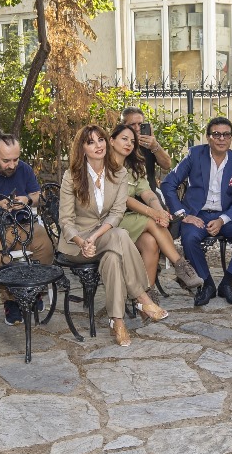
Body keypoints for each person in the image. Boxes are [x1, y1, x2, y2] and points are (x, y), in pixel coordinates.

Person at [58, 125, 168, 347]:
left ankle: (117, 322)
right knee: (120, 236)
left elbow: (117, 213)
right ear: (82, 148)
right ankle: (142, 298)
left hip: (105, 235)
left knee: (113, 257)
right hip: (77, 244)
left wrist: (95, 236)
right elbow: (66, 221)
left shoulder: (119, 173)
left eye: (101, 140)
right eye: (91, 142)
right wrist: (82, 241)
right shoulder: (71, 176)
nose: (98, 145)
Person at [161, 116, 232, 307]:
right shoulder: (194, 155)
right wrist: (183, 215)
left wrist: (222, 220)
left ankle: (227, 283)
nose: (221, 138)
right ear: (208, 137)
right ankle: (207, 284)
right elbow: (168, 184)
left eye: (226, 135)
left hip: (225, 216)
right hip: (196, 215)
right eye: (216, 134)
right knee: (189, 238)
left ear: (231, 138)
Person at [0, 131, 55, 324]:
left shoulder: (23, 169)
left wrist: (27, 199)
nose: (12, 165)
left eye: (16, 159)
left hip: (21, 224)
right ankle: (11, 301)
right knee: (0, 257)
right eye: (6, 160)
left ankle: (33, 290)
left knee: (46, 246)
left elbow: (38, 196)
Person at [109, 123, 200, 290]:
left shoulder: (134, 167)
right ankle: (180, 265)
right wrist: (154, 213)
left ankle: (147, 297)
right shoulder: (104, 166)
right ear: (111, 141)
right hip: (108, 221)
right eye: (124, 139)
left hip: (127, 220)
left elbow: (148, 193)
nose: (129, 143)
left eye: (132, 140)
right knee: (152, 221)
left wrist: (159, 210)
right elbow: (123, 199)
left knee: (151, 242)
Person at [120, 105, 173, 182]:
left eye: (140, 124)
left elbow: (167, 165)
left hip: (149, 191)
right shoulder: (117, 144)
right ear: (123, 126)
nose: (137, 128)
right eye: (132, 124)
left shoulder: (149, 143)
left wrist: (155, 146)